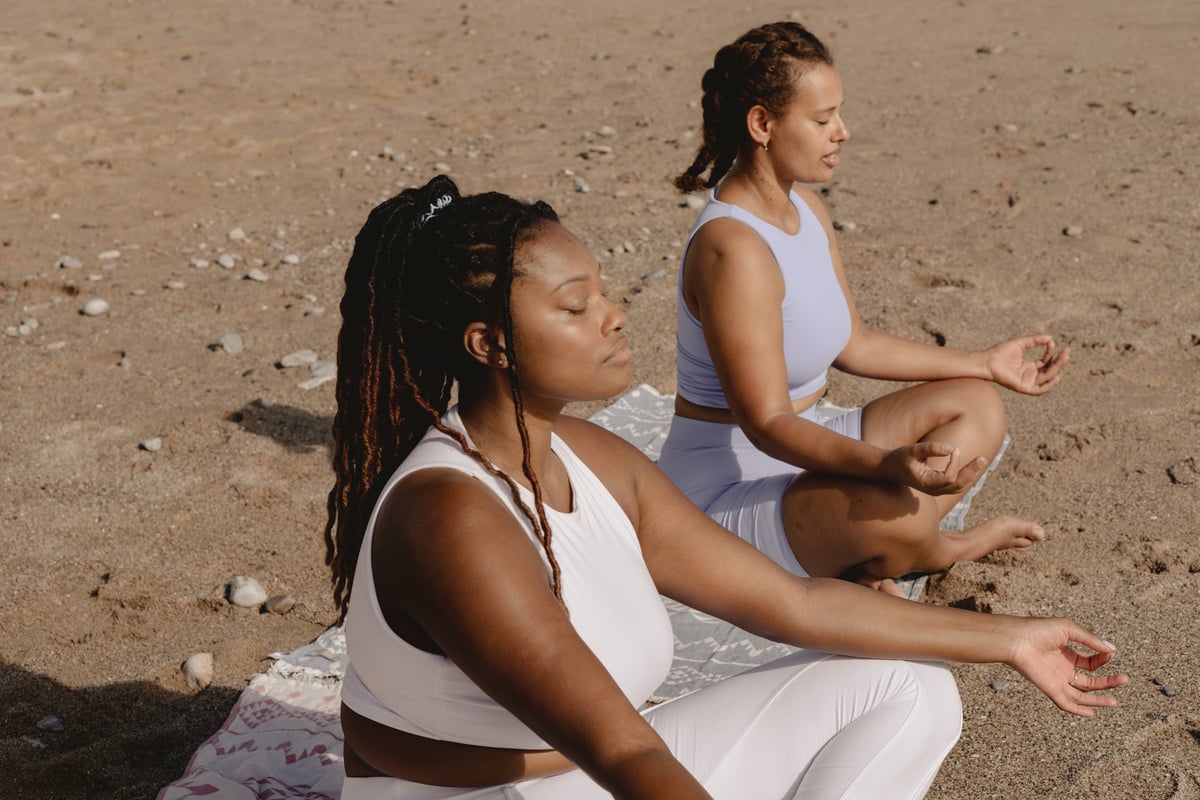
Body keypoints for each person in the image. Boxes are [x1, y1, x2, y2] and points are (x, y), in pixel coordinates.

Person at [322, 174, 1123, 800]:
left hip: (595, 771)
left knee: (908, 688)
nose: (614, 316)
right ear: (489, 343)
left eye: (603, 290)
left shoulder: (594, 457)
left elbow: (797, 605)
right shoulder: (450, 517)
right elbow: (624, 750)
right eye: (576, 306)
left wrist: (1015, 639)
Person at [659, 21, 1069, 595]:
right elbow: (766, 424)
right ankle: (946, 545)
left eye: (839, 115)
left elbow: (855, 344)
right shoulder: (733, 248)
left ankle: (877, 549)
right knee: (888, 501)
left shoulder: (806, 207)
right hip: (721, 497)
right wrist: (883, 466)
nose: (843, 132)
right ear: (763, 124)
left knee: (976, 404)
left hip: (804, 451)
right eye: (823, 120)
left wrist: (983, 363)